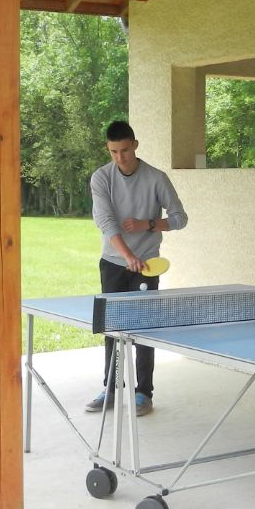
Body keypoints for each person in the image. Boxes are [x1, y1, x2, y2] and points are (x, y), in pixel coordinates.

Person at [87, 120, 188, 418]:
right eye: (114, 152)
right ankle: (111, 387)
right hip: (114, 264)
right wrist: (127, 255)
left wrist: (150, 224)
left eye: (125, 150)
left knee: (143, 330)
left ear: (135, 145)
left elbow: (181, 218)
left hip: (146, 267)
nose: (120, 157)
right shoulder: (101, 178)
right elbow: (106, 222)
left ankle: (144, 392)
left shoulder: (156, 178)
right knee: (112, 329)